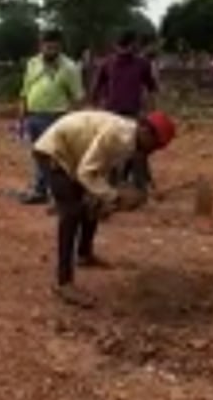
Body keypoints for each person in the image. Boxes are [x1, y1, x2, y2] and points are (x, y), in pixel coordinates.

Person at [32, 109, 177, 308]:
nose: (153, 151)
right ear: (145, 131)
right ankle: (63, 282)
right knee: (71, 213)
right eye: (155, 145)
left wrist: (107, 198)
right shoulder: (118, 136)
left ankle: (84, 254)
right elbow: (87, 173)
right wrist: (114, 196)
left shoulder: (130, 140)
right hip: (54, 152)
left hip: (75, 155)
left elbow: (100, 168)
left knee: (94, 203)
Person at [18, 28, 84, 205]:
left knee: (57, 159)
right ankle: (40, 190)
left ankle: (59, 195)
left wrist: (74, 122)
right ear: (40, 46)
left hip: (57, 117)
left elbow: (77, 97)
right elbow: (25, 91)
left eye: (54, 48)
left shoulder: (69, 67)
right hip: (34, 115)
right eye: (47, 47)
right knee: (38, 155)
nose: (50, 51)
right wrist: (22, 117)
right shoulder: (33, 63)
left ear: (60, 47)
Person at [90, 30, 159, 192]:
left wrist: (151, 111)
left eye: (129, 45)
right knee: (112, 149)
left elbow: (151, 88)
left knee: (137, 149)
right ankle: (111, 184)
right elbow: (96, 87)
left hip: (133, 113)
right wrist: (95, 106)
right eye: (122, 46)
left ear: (134, 45)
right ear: (115, 46)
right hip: (111, 114)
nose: (125, 49)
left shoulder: (142, 64)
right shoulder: (107, 63)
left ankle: (142, 185)